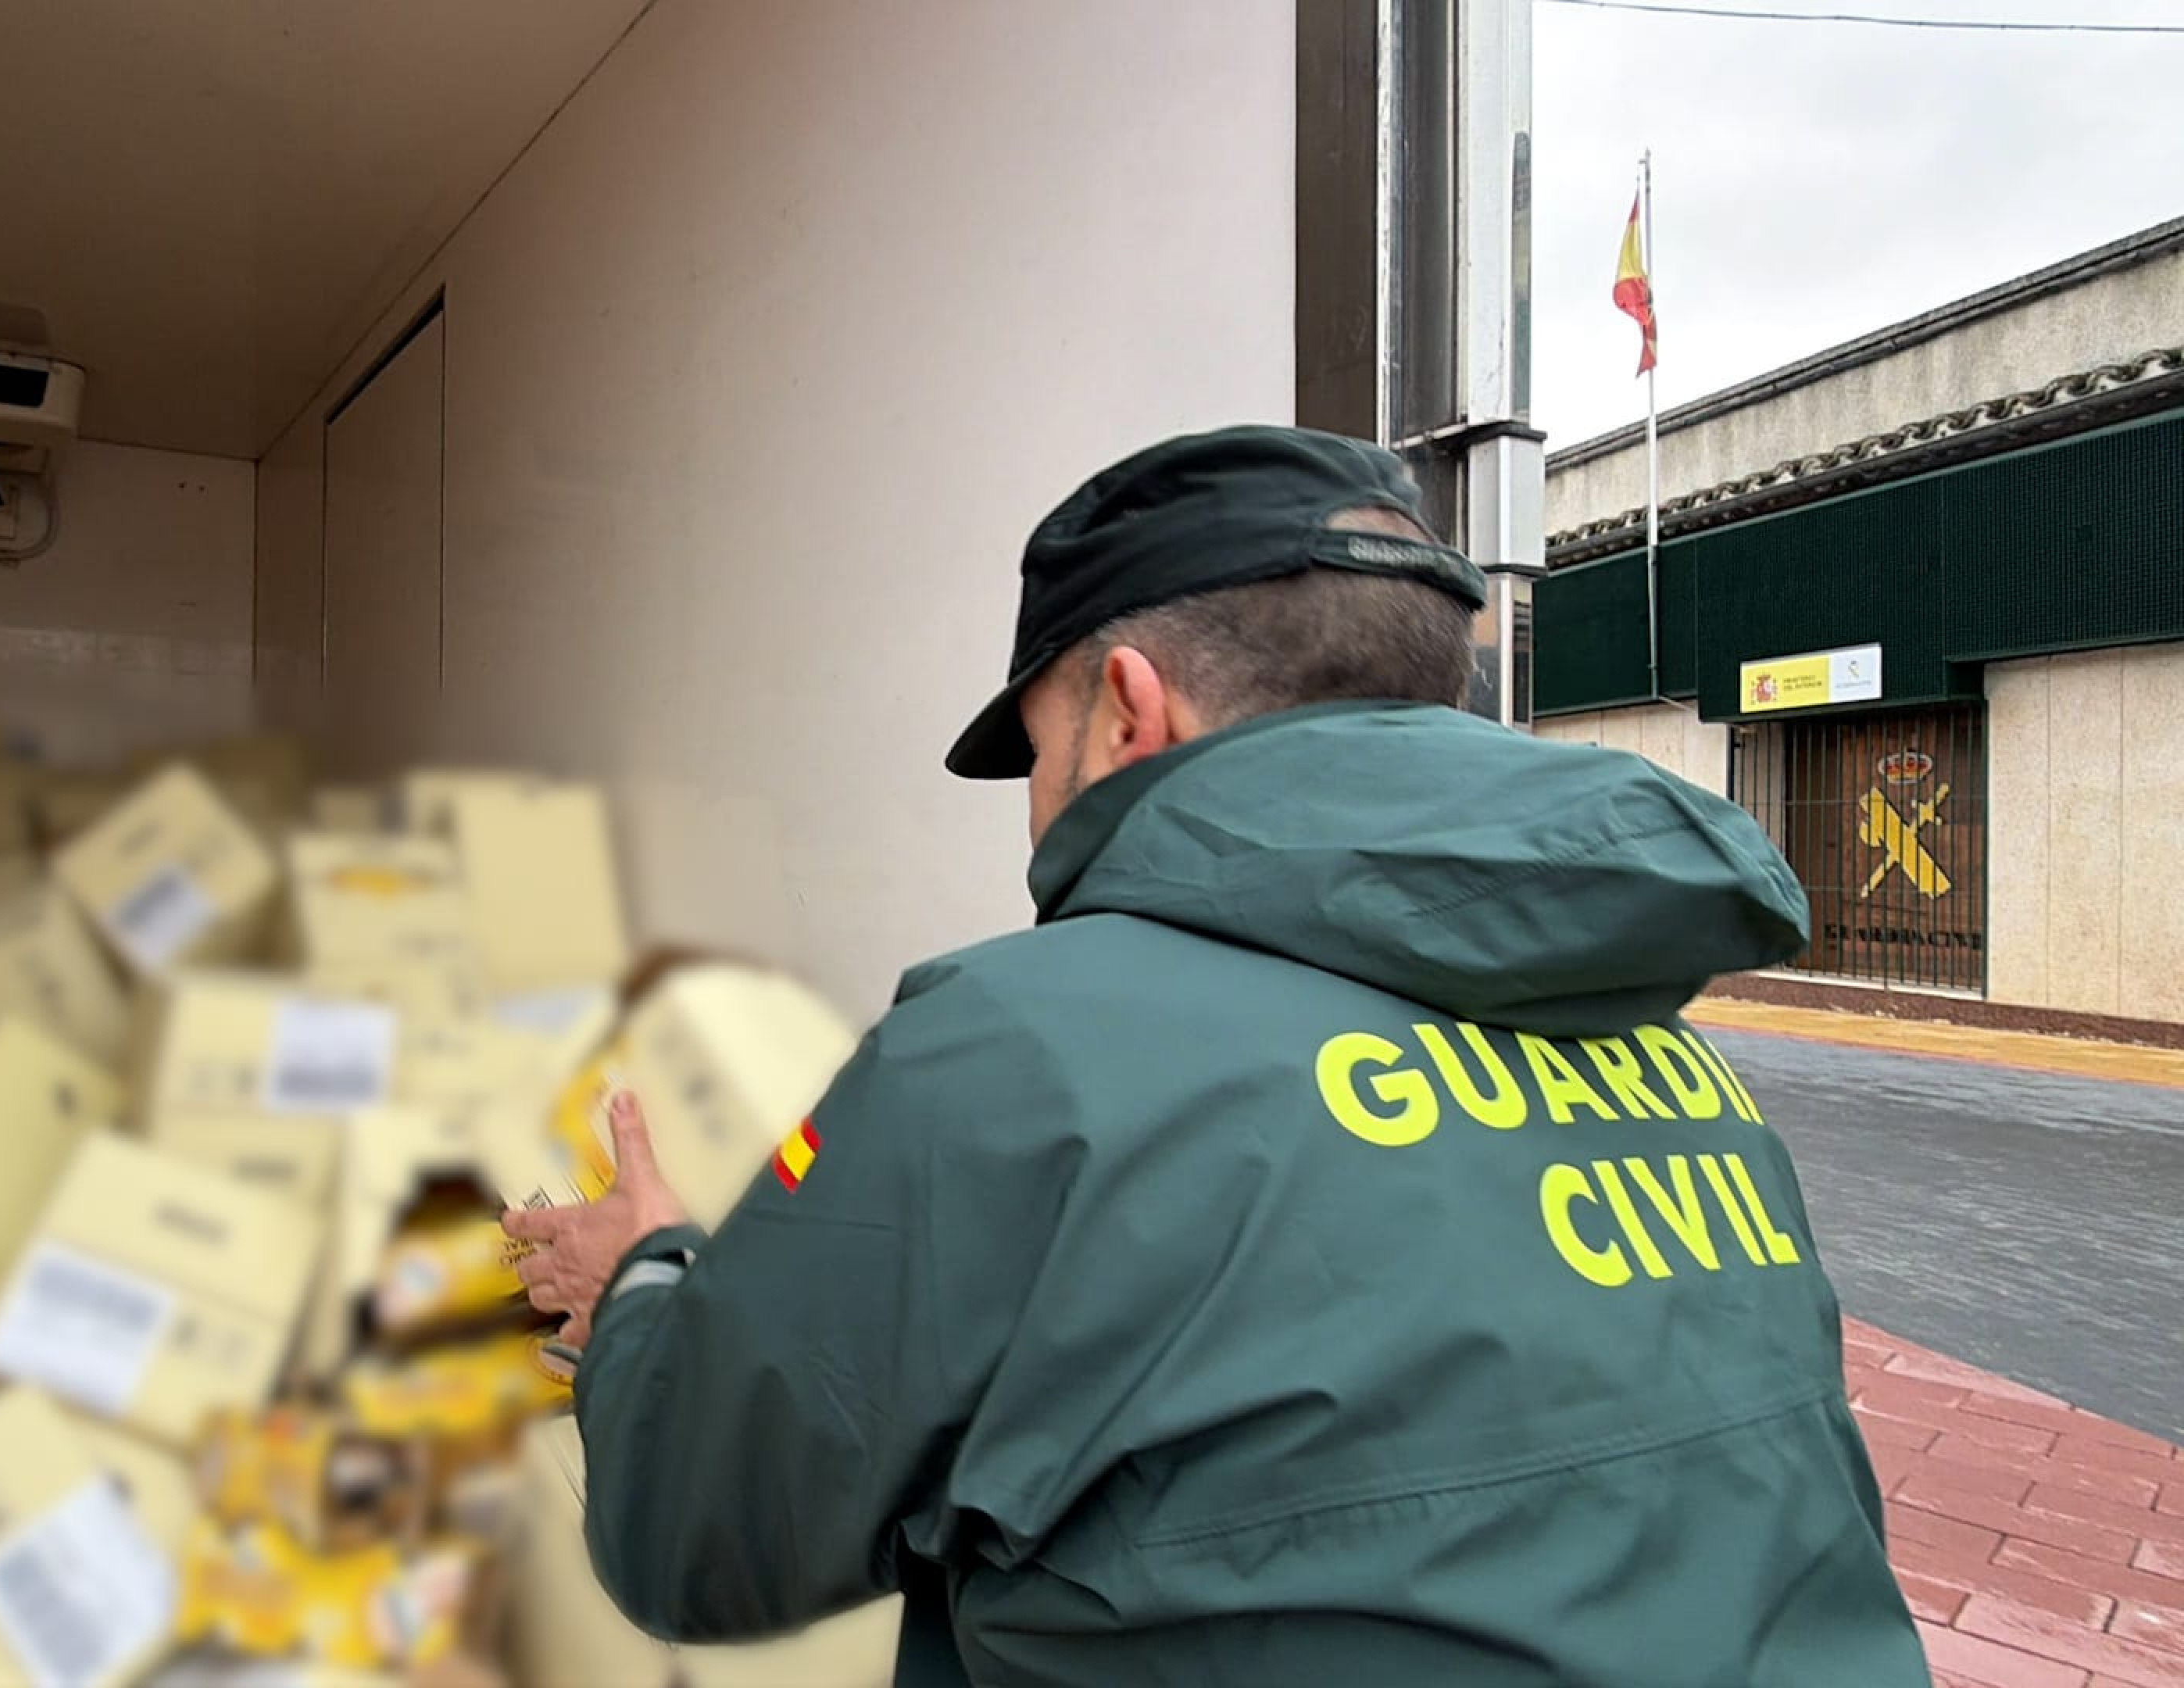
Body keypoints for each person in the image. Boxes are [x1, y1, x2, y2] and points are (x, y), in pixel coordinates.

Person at [502, 425, 1932, 1686]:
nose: (1036, 807)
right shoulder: (1682, 1070)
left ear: (1130, 706)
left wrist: (641, 1284)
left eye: (1041, 749)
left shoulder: (1015, 1049)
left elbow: (700, 1534)